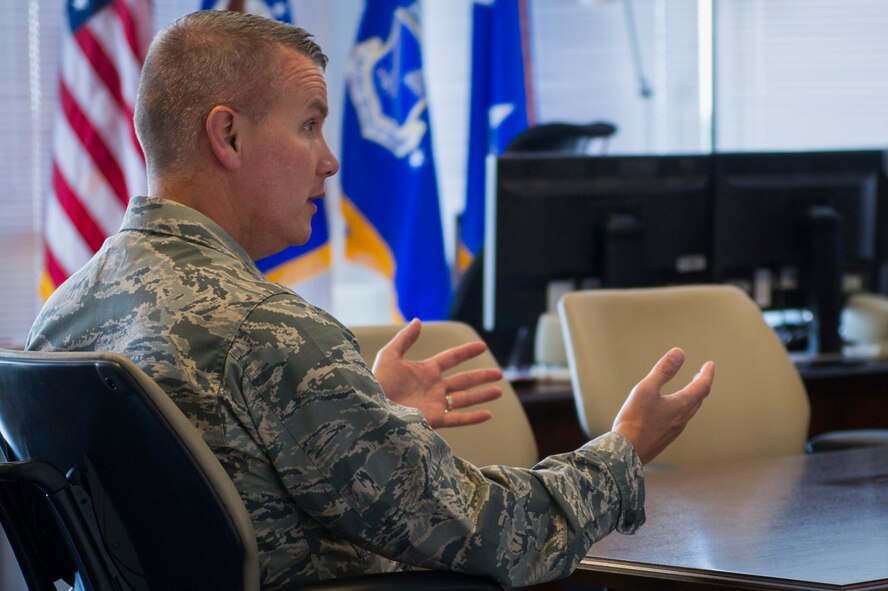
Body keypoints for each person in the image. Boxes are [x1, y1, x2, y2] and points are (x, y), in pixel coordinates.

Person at [26, 10, 714, 590]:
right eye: (308, 126)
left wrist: (357, 406)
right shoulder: (270, 333)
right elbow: (495, 535)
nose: (328, 160)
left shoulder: (59, 319)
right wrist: (625, 447)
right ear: (227, 135)